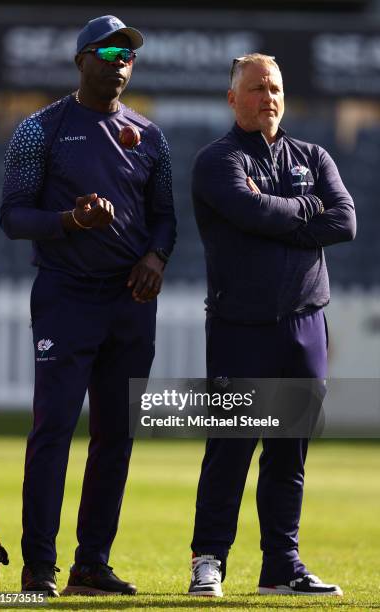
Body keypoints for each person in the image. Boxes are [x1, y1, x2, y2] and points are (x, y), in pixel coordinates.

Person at [0, 15, 176, 597]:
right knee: (52, 430)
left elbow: (166, 218)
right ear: (81, 60)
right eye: (107, 49)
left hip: (129, 300)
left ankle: (91, 566)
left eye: (128, 51)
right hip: (66, 297)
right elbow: (13, 217)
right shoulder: (40, 129)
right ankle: (39, 570)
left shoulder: (150, 136)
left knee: (115, 434)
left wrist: (155, 257)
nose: (120, 57)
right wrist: (70, 220)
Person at [188, 53, 355, 598]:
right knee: (231, 447)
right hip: (241, 327)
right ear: (233, 98)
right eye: (257, 89)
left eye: (276, 87)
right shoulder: (218, 161)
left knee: (290, 453)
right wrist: (308, 212)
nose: (269, 97)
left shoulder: (313, 154)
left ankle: (281, 567)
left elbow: (345, 222)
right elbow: (249, 212)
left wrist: (279, 211)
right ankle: (208, 560)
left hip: (306, 325)